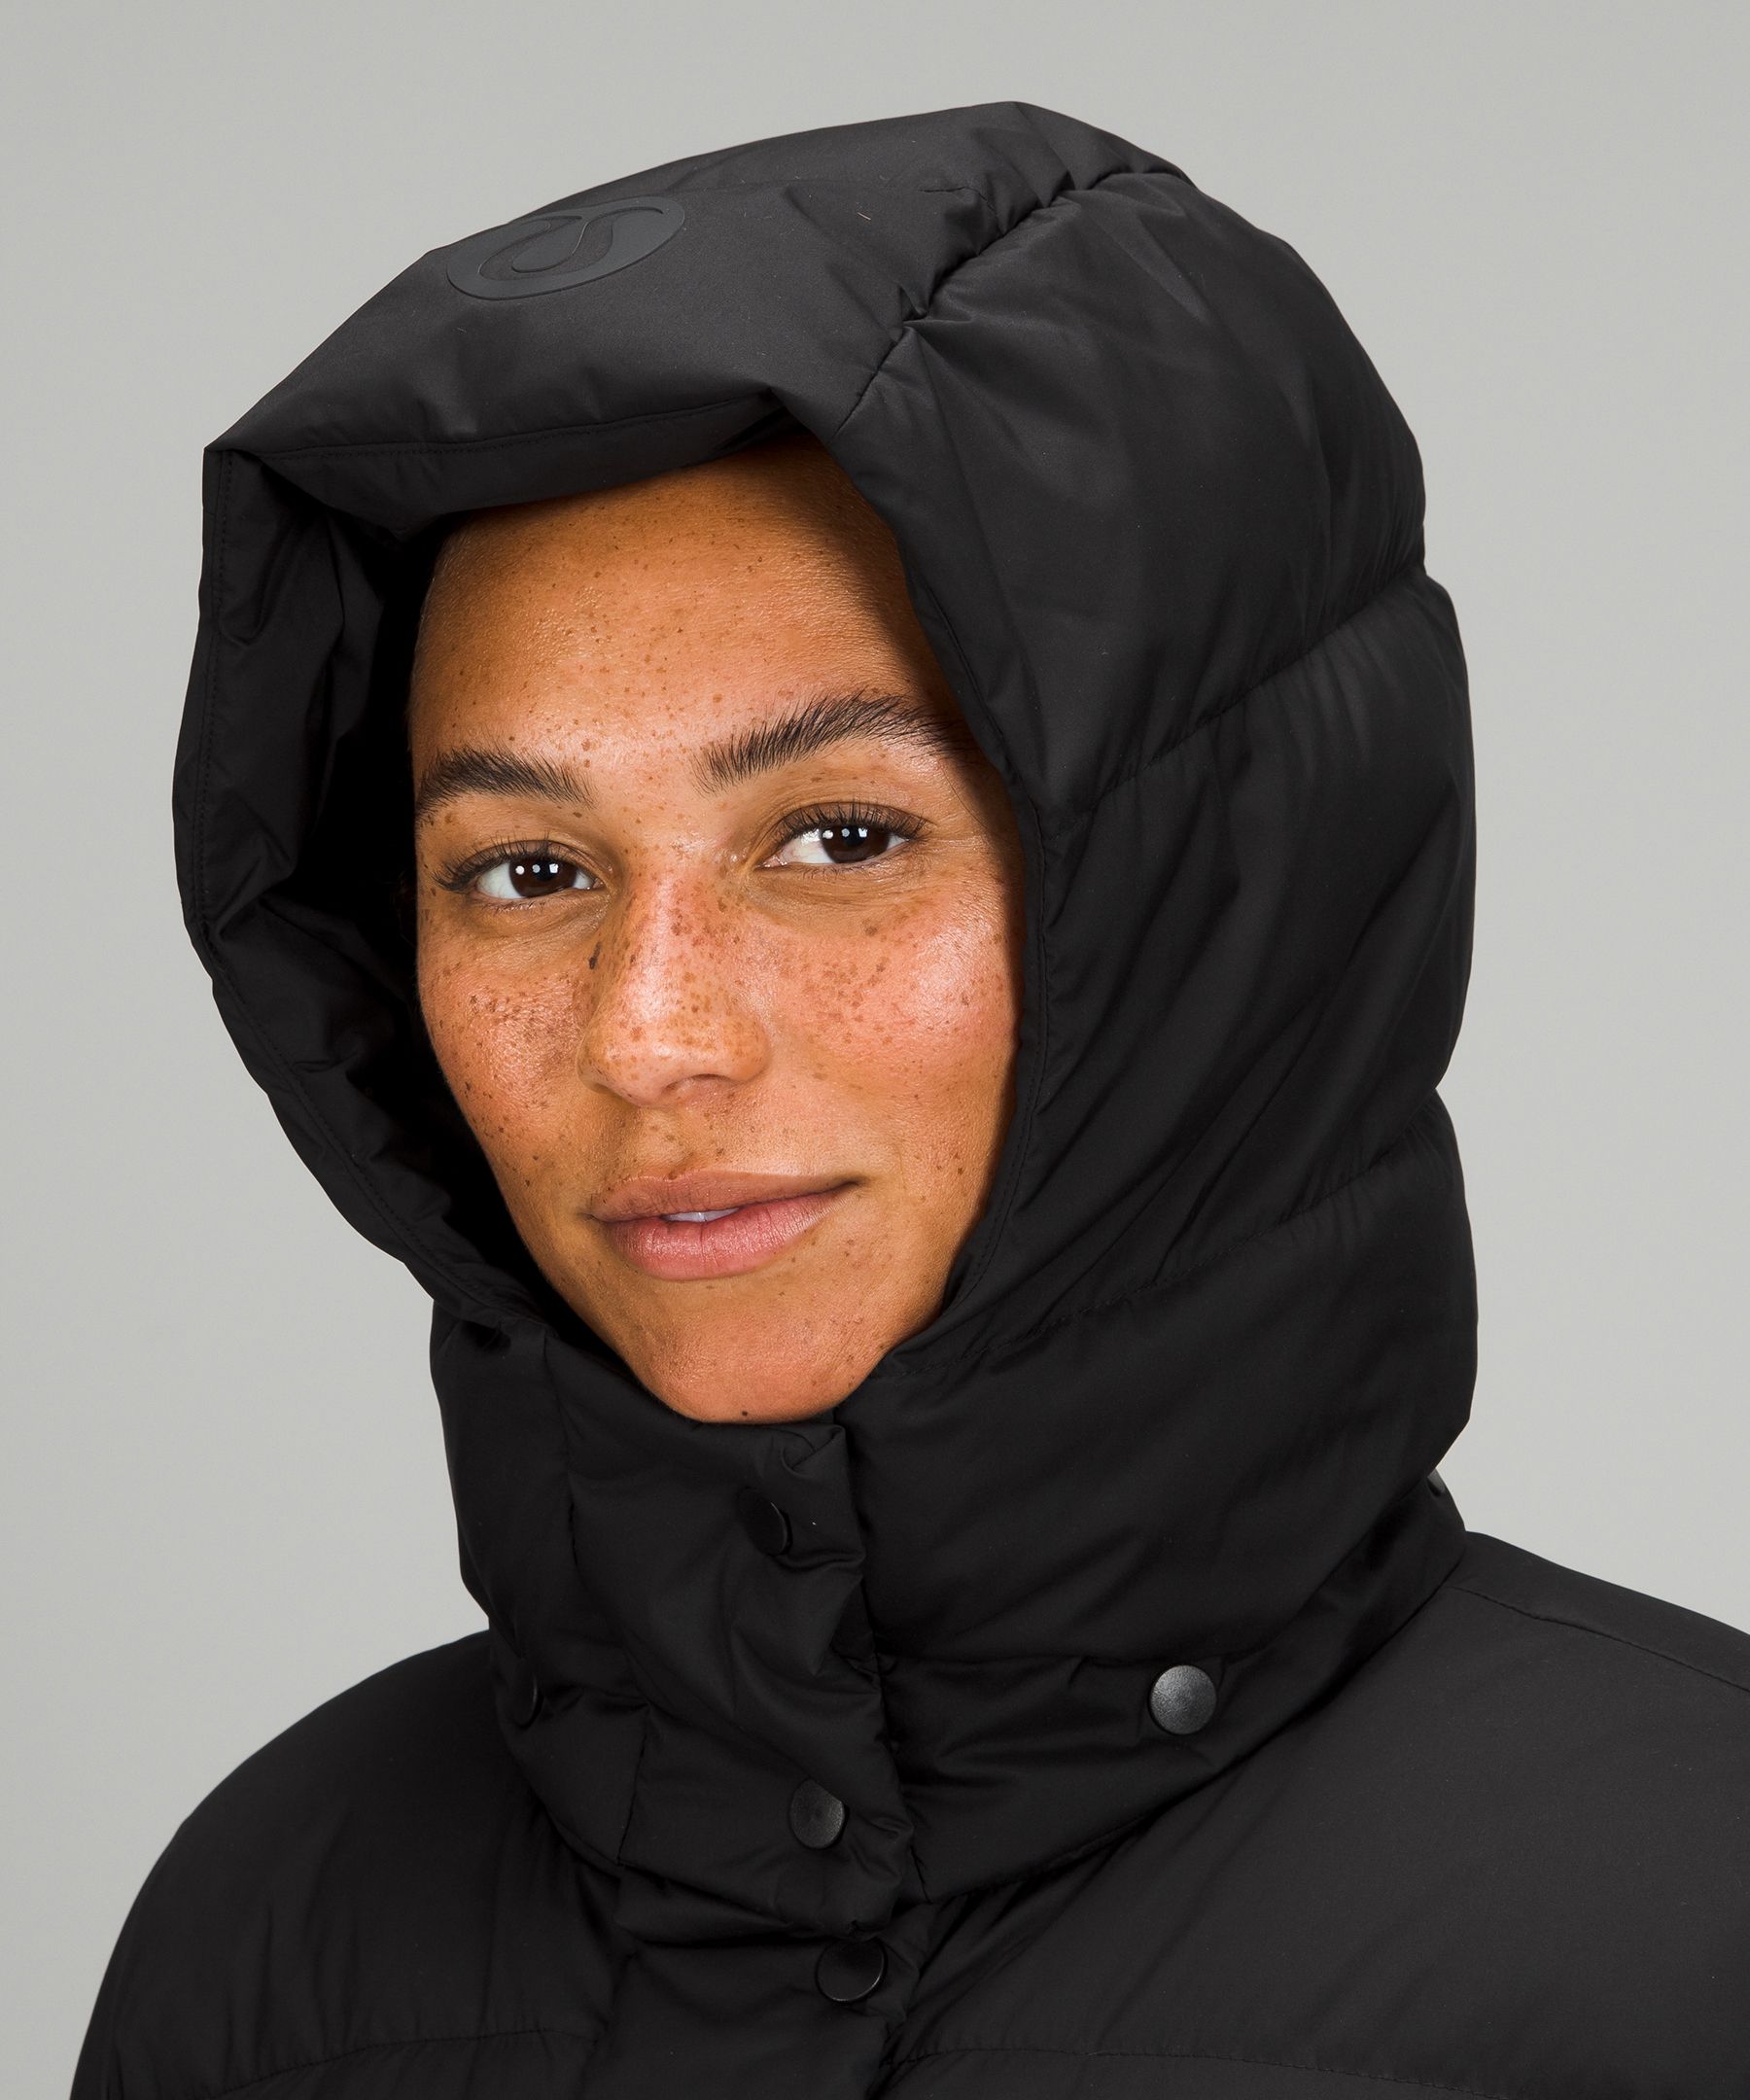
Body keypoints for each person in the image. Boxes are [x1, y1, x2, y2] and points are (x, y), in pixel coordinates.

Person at [74, 99, 1748, 2100]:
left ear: (1218, 904)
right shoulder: (276, 1944)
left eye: (841, 838)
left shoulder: (1689, 1926)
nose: (647, 1038)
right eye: (526, 871)